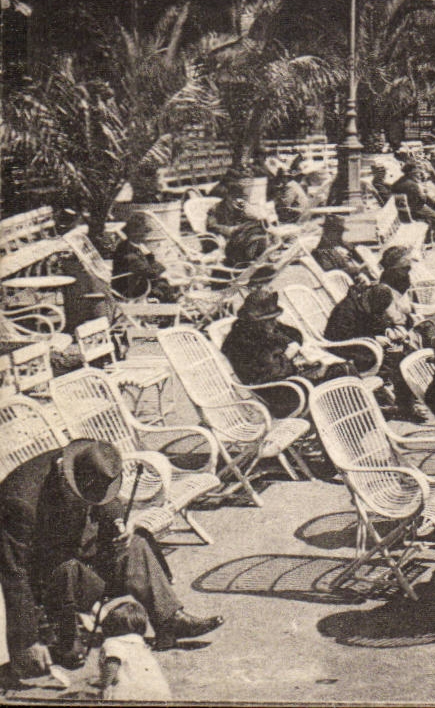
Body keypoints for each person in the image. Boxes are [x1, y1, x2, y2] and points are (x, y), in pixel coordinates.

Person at [1, 439, 222, 674]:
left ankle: (169, 620)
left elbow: (107, 500)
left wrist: (120, 523)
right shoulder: (19, 502)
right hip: (49, 579)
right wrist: (27, 641)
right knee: (69, 658)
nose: (86, 503)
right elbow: (14, 572)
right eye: (80, 496)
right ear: (64, 476)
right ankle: (60, 639)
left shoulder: (86, 461)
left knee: (135, 543)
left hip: (80, 552)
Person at [220, 288, 354, 418]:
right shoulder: (240, 342)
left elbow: (295, 335)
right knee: (340, 377)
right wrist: (288, 355)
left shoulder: (264, 328)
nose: (274, 323)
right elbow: (267, 374)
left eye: (274, 318)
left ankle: (349, 421)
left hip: (292, 379)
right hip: (279, 393)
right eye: (269, 320)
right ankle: (344, 423)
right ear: (255, 321)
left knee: (344, 370)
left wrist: (292, 349)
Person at [95, 599, 171, 701]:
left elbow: (112, 665)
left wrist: (103, 683)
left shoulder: (112, 643)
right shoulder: (140, 644)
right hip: (158, 694)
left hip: (129, 695)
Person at [108, 216, 179, 302]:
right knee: (165, 287)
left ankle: (172, 304)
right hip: (130, 289)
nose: (145, 236)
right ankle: (171, 308)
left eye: (145, 232)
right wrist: (155, 262)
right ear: (133, 234)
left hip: (136, 282)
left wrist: (149, 256)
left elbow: (150, 269)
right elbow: (151, 273)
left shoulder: (133, 247)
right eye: (143, 233)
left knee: (170, 284)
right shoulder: (127, 252)